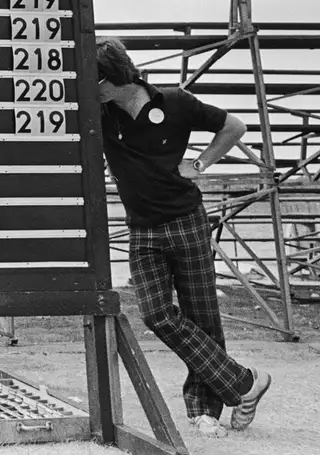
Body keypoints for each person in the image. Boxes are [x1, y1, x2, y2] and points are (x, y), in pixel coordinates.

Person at [96, 38, 273, 437]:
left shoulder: (175, 101)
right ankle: (245, 383)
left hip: (187, 220)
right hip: (142, 228)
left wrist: (200, 164)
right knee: (156, 314)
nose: (92, 91)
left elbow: (234, 126)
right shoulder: (101, 114)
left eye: (96, 82)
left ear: (115, 77)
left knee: (202, 316)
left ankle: (203, 409)